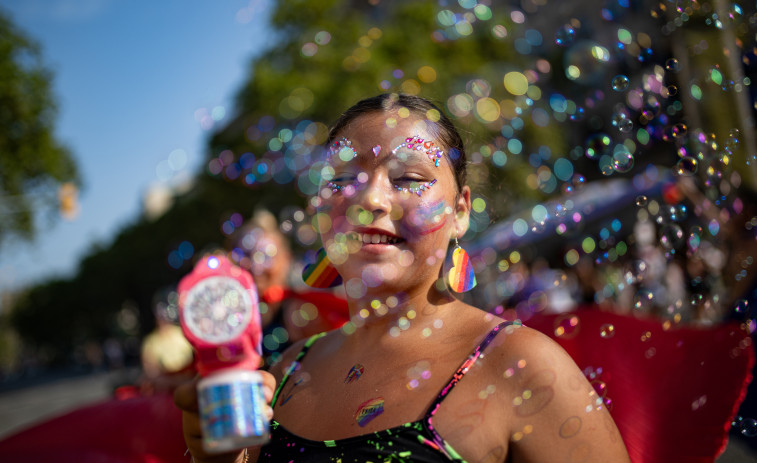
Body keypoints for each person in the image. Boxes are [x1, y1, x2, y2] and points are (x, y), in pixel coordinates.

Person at [175, 93, 630, 462]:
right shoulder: (285, 374)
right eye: (342, 179)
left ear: (460, 211)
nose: (371, 198)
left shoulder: (521, 364)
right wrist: (212, 458)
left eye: (410, 178)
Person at [227, 209, 349, 367]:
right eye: (245, 256)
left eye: (265, 256)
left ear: (286, 259)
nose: (256, 267)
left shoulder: (299, 315)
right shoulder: (236, 319)